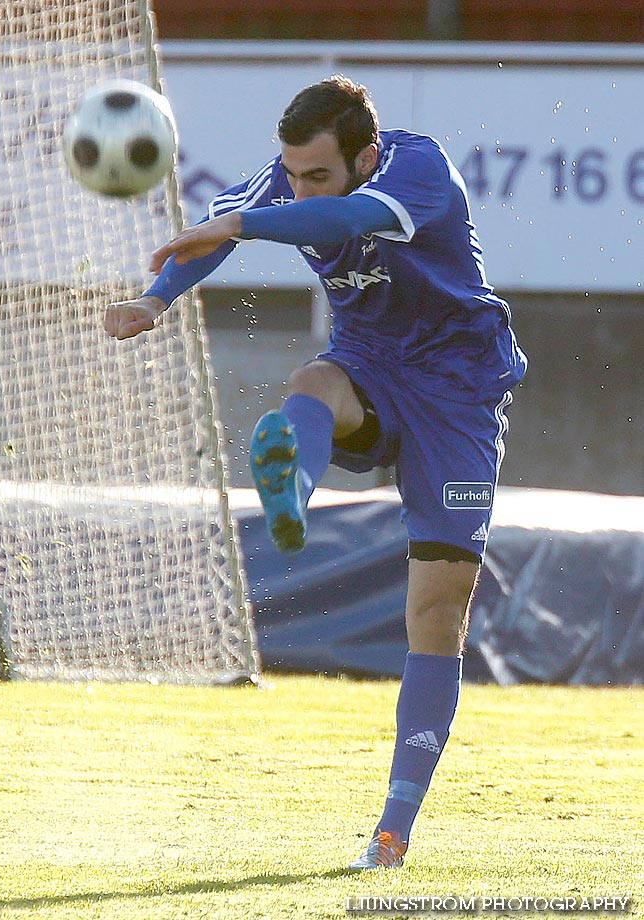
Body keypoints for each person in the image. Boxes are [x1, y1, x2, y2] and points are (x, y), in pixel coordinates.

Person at [104, 76, 525, 870]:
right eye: (290, 172)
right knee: (312, 385)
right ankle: (289, 493)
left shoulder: (417, 168)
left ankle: (393, 830)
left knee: (437, 612)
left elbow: (344, 217)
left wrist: (250, 219)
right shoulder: (294, 180)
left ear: (365, 155)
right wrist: (158, 299)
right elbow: (217, 238)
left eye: (316, 174)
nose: (299, 187)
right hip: (369, 363)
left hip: (459, 393)